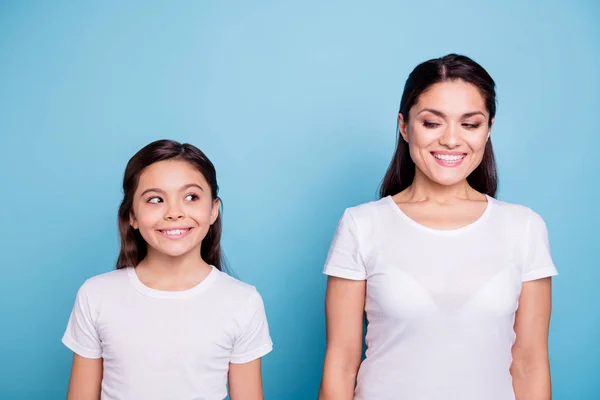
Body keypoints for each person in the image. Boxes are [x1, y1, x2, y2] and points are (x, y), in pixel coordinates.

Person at [319, 54, 556, 400]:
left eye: (470, 124)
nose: (450, 140)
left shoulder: (524, 228)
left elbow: (530, 364)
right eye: (432, 123)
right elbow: (341, 362)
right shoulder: (361, 225)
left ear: (488, 130)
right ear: (404, 126)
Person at [62, 139, 272, 400]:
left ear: (213, 210)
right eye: (155, 199)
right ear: (133, 217)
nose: (174, 212)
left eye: (191, 197)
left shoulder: (243, 301)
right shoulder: (96, 295)